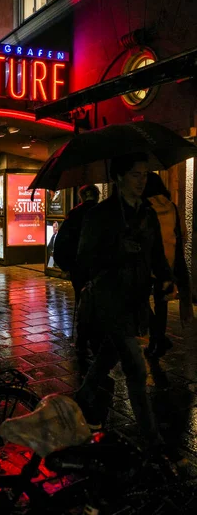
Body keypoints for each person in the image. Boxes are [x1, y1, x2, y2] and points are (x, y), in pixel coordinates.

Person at [75, 153, 173, 447]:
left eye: (145, 175)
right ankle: (151, 439)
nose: (142, 181)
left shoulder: (147, 212)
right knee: (136, 367)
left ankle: (79, 400)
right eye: (135, 175)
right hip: (109, 301)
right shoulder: (100, 215)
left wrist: (166, 276)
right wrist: (118, 251)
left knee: (106, 357)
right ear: (118, 178)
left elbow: (155, 252)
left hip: (136, 299)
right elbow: (83, 261)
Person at [143, 172, 193, 359]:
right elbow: (181, 235)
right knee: (161, 303)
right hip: (169, 262)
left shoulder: (144, 206)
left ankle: (157, 338)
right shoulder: (171, 206)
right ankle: (158, 340)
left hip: (149, 262)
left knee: (140, 300)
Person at [53, 185, 100, 354]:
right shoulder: (104, 213)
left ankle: (82, 337)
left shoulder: (73, 214)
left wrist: (66, 266)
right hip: (99, 267)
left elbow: (61, 243)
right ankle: (97, 335)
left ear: (81, 197)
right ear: (97, 196)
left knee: (82, 299)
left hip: (78, 266)